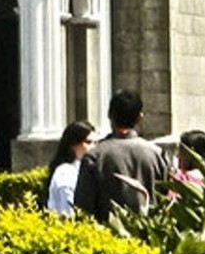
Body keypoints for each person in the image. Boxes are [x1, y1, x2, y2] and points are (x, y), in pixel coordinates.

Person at [73, 89, 170, 224]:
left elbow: (83, 209)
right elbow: (168, 202)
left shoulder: (95, 156)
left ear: (109, 116)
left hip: (108, 239)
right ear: (140, 118)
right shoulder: (158, 155)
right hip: (149, 237)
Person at [45, 121, 93, 215]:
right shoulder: (65, 172)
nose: (93, 147)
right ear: (73, 144)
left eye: (96, 142)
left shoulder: (84, 168)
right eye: (88, 142)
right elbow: (68, 210)